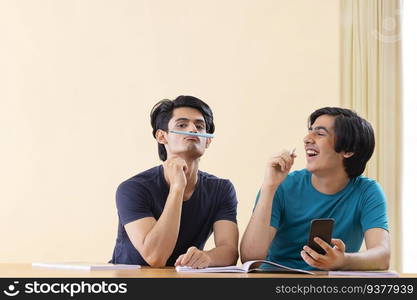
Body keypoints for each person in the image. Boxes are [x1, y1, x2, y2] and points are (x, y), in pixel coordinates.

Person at [240, 107, 390, 271]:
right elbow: (250, 258)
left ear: (348, 150)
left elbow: (382, 256)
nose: (306, 139)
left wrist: (343, 260)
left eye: (320, 133)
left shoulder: (367, 192)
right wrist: (269, 187)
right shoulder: (281, 186)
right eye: (310, 131)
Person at [111, 95, 238, 268]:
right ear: (162, 136)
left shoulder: (221, 189)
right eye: (182, 125)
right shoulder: (133, 188)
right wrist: (177, 188)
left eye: (200, 126)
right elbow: (155, 257)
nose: (193, 130)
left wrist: (207, 257)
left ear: (208, 140)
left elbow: (229, 251)